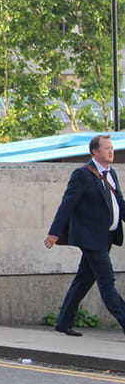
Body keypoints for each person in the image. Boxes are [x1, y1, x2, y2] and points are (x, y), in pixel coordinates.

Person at [44, 134, 125, 337]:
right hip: (91, 238)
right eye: (106, 148)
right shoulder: (82, 174)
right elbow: (67, 204)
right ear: (95, 152)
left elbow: (120, 204)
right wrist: (54, 233)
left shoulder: (111, 174)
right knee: (107, 281)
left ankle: (63, 322)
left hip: (107, 236)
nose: (111, 151)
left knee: (83, 280)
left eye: (111, 147)